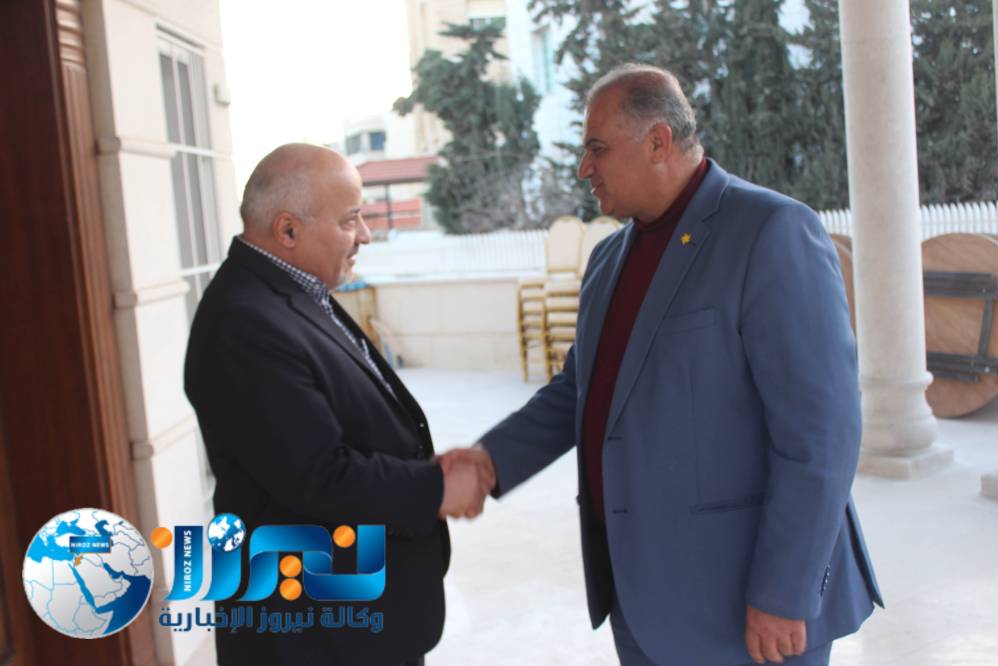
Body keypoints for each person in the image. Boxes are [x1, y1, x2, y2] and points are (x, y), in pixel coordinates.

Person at [443, 64, 882, 665]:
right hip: (643, 602)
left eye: (597, 148)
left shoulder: (770, 231)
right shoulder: (607, 260)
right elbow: (579, 392)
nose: (584, 168)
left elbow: (822, 433)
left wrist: (784, 591)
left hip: (753, 608)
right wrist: (489, 462)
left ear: (658, 141)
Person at [184, 143, 491, 666]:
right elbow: (318, 476)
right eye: (350, 220)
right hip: (313, 636)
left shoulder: (292, 292)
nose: (365, 235)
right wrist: (438, 488)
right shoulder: (244, 322)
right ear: (288, 230)